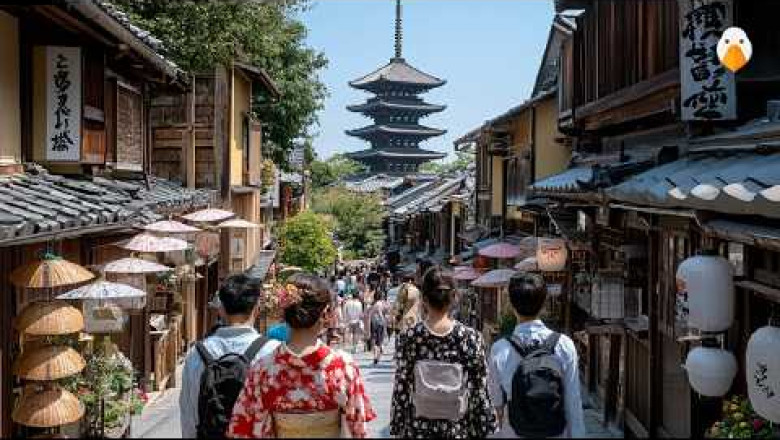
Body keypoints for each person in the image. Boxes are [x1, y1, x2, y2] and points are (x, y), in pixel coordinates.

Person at [227, 274, 376, 438]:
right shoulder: (342, 367)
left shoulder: (263, 370)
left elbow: (241, 428)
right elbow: (358, 428)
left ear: (284, 313)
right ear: (326, 313)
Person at [390, 267, 497, 438]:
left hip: (419, 429)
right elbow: (480, 389)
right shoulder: (469, 338)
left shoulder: (409, 338)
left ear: (423, 299)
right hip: (458, 429)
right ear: (454, 297)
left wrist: (397, 426)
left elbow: (401, 387)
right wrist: (486, 427)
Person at [180, 274, 280, 439]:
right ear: (257, 308)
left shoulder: (197, 353)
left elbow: (188, 415)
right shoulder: (271, 351)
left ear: (221, 309)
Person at [488, 273, 585, 438]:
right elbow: (573, 402)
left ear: (512, 305)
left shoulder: (500, 349)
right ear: (544, 303)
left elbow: (495, 404)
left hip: (515, 432)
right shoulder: (564, 345)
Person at [367, 291, 390, 365]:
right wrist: (384, 321)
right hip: (381, 323)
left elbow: (369, 314)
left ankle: (375, 357)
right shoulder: (383, 303)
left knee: (374, 340)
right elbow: (385, 312)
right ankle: (378, 357)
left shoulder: (373, 304)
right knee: (379, 341)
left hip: (373, 323)